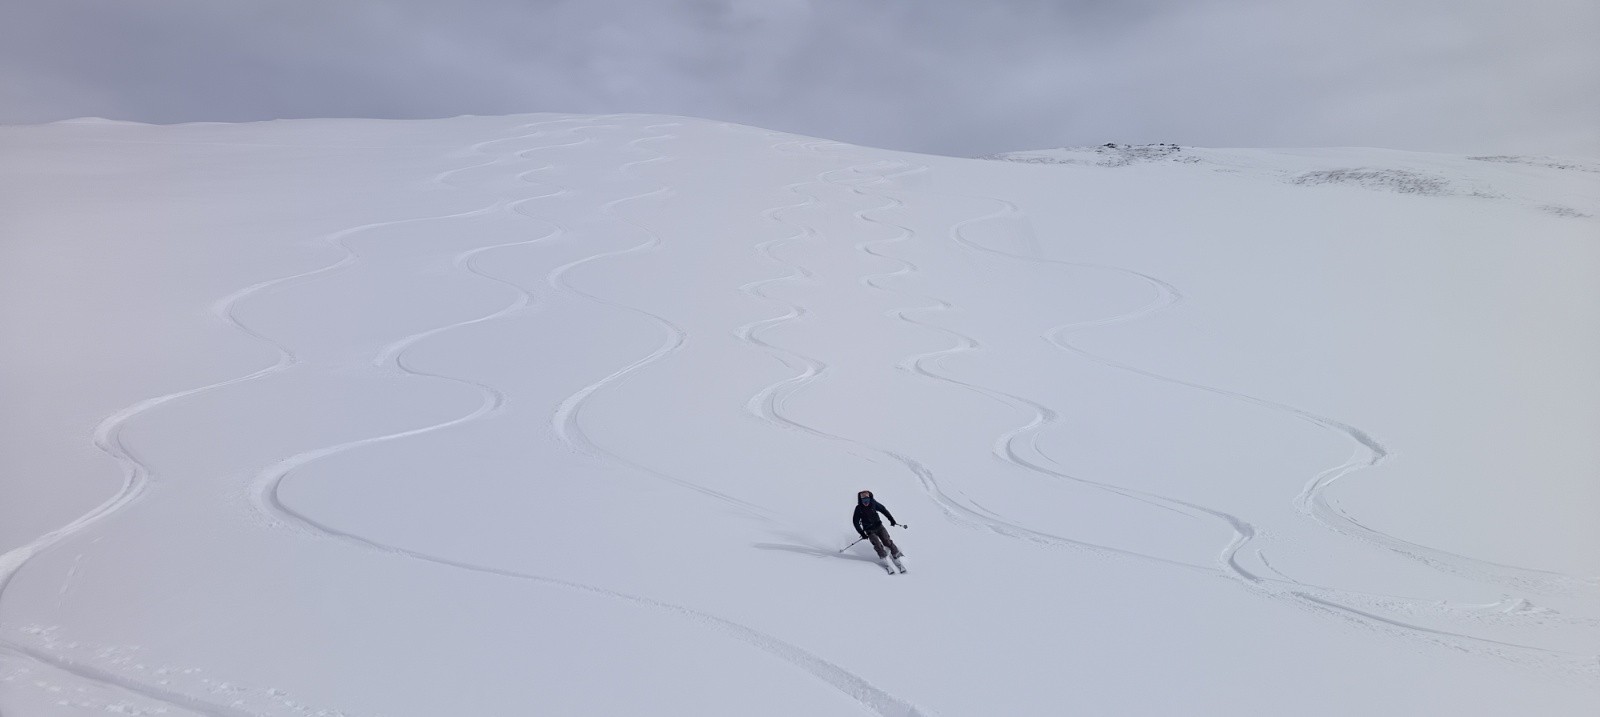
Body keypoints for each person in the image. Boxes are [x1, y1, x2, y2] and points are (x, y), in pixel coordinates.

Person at [853, 490, 903, 564]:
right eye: (863, 500)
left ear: (870, 498)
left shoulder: (874, 503)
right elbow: (855, 522)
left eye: (867, 500)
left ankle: (897, 554)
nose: (865, 502)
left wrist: (891, 520)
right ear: (861, 500)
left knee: (887, 541)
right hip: (869, 530)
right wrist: (862, 533)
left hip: (879, 526)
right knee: (877, 544)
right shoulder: (858, 508)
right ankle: (884, 558)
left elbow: (884, 510)